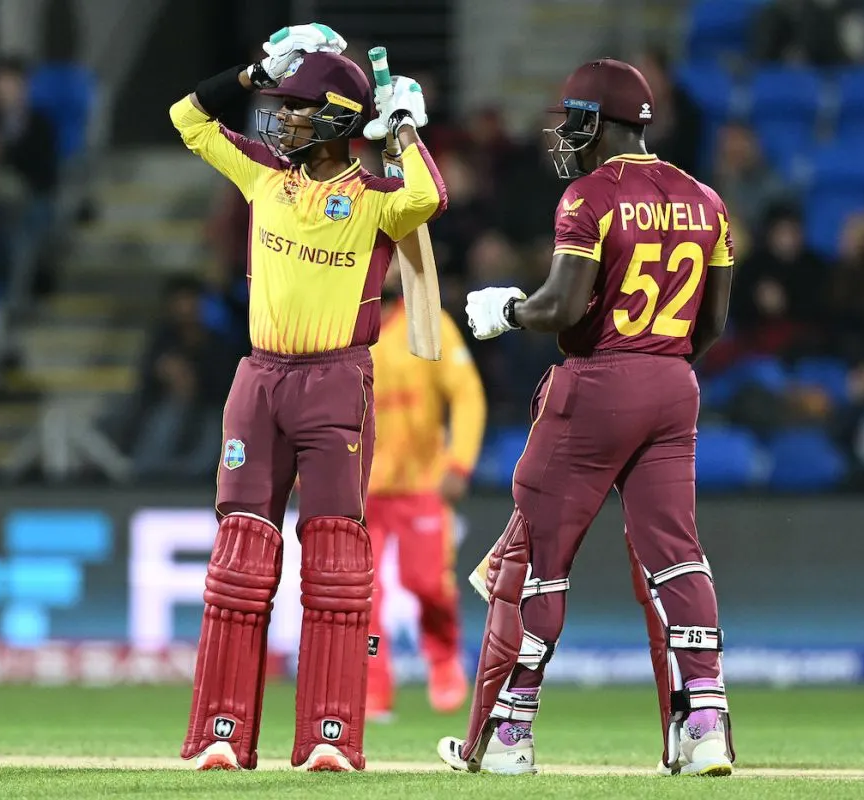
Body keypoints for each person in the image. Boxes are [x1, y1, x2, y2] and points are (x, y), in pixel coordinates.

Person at [439, 59, 736, 778]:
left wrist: (505, 310)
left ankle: (510, 734)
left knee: (540, 556)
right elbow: (714, 324)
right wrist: (659, 362)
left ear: (601, 123)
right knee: (677, 553)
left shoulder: (589, 196)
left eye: (575, 117)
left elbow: (562, 308)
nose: (566, 131)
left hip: (597, 384)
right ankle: (706, 723)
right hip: (674, 383)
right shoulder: (708, 201)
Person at [169, 23, 445, 773]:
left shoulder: (377, 199)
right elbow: (188, 119)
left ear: (332, 117)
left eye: (293, 107)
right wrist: (256, 70)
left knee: (334, 566)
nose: (278, 117)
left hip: (334, 382)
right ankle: (221, 734)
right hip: (258, 381)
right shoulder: (263, 174)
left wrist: (405, 132)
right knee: (240, 561)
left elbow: (427, 197)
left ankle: (330, 738)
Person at [365, 264, 487, 721]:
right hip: (360, 485)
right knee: (362, 594)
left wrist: (460, 461)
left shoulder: (428, 320)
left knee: (427, 583)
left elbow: (468, 393)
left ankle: (442, 660)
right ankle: (373, 686)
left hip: (421, 481)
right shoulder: (341, 325)